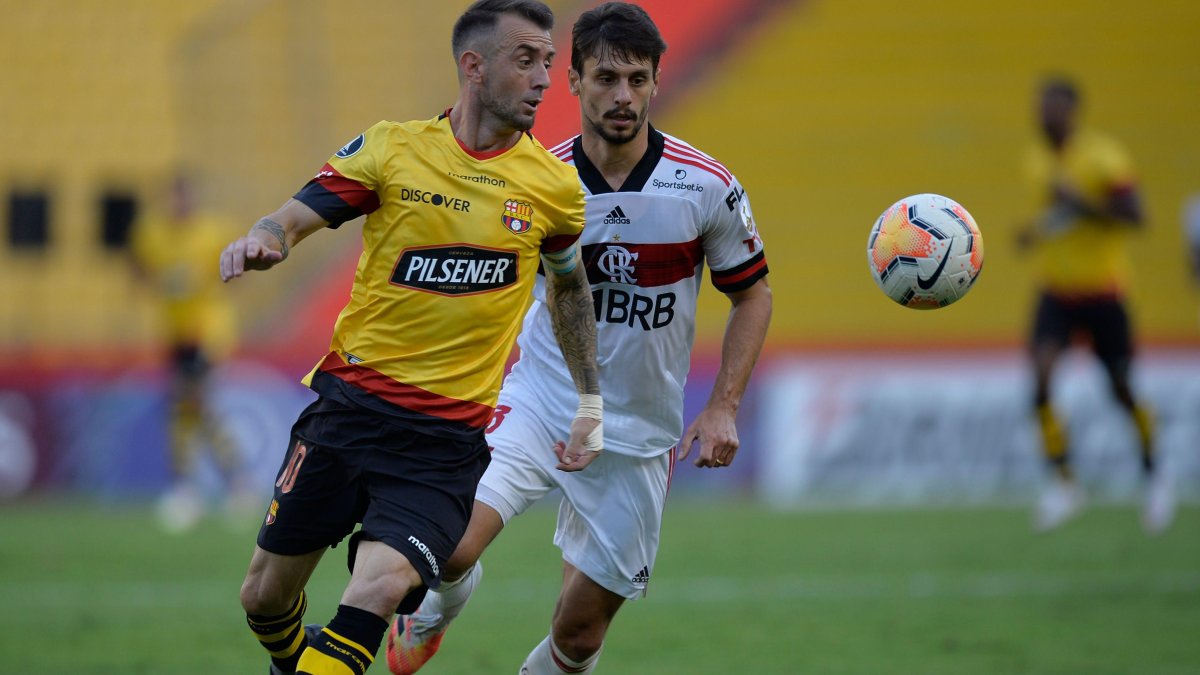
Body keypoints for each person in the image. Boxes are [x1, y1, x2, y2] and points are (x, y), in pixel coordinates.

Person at [385, 4, 772, 673]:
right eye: (605, 78)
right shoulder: (535, 179)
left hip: (641, 432)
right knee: (447, 547)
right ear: (573, 80)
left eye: (637, 79)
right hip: (542, 400)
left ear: (655, 82)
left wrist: (723, 403)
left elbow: (753, 293)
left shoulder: (706, 185)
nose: (623, 95)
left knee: (581, 633)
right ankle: (441, 601)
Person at [221, 2, 603, 674]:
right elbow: (294, 216)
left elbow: (569, 286)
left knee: (378, 585)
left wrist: (589, 399)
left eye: (549, 61)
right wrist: (264, 239)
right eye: (526, 60)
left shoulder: (554, 188)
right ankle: (290, 661)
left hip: (443, 442)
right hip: (347, 414)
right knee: (263, 595)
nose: (545, 77)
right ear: (473, 67)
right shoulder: (392, 148)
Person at [1017, 77, 1174, 534]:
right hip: (1056, 291)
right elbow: (1058, 218)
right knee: (1041, 379)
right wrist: (1035, 231)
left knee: (1121, 389)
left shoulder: (1104, 157)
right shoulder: (1034, 159)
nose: (1046, 114)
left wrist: (1083, 204)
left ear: (1074, 111)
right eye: (1041, 105)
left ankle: (1155, 473)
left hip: (1105, 292)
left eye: (1055, 107)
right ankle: (1063, 482)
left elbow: (1136, 216)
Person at [129, 172, 242, 532]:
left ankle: (189, 489)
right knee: (195, 408)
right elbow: (136, 262)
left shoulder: (211, 232)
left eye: (184, 197)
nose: (179, 204)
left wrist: (210, 289)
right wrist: (156, 284)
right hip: (175, 331)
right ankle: (233, 482)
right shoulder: (152, 232)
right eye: (174, 197)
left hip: (208, 329)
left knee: (188, 400)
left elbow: (237, 268)